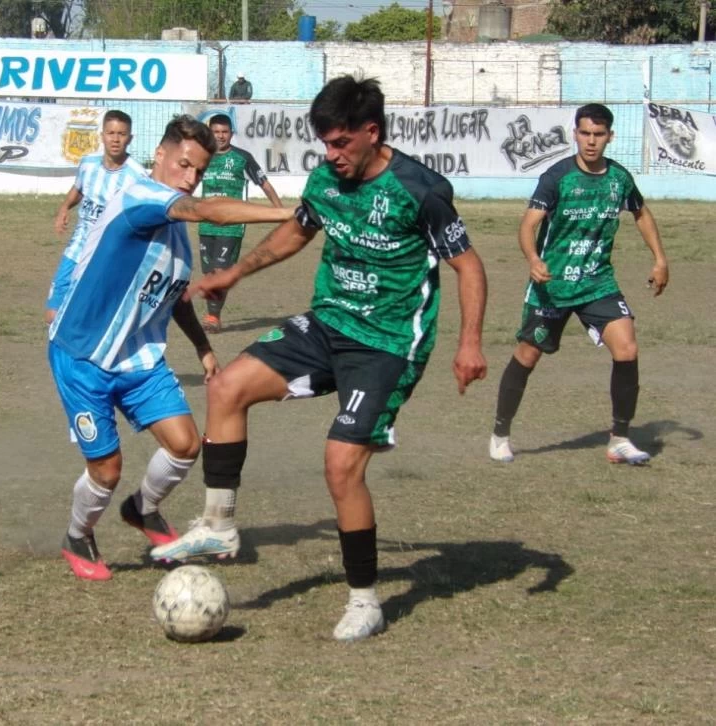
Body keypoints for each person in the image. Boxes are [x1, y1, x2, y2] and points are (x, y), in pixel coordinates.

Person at [151, 76, 488, 642]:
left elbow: (469, 267)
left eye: (339, 144)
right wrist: (235, 272)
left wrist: (470, 342)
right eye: (324, 145)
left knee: (340, 464)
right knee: (227, 386)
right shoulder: (326, 179)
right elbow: (297, 231)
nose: (330, 156)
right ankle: (218, 524)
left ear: (371, 132)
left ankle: (365, 601)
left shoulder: (420, 189)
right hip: (329, 322)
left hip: (386, 342)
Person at [48, 114, 295, 581]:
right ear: (159, 155)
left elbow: (174, 294)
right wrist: (290, 213)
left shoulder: (174, 224)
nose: (190, 178)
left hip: (138, 357)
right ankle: (77, 536)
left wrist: (202, 346)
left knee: (184, 445)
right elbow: (208, 210)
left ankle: (143, 510)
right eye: (183, 165)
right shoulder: (143, 194)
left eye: (199, 172)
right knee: (106, 469)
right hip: (83, 356)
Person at [489, 103, 669, 466]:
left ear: (610, 137)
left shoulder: (619, 178)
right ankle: (500, 433)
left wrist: (660, 259)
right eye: (585, 133)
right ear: (575, 134)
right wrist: (534, 260)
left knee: (627, 349)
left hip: (597, 282)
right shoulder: (557, 177)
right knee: (527, 355)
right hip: (552, 285)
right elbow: (527, 226)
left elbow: (640, 212)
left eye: (598, 135)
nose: (591, 141)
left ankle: (619, 439)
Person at [46, 109, 146, 325]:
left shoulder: (137, 176)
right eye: (111, 133)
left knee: (88, 317)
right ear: (102, 135)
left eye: (122, 134)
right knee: (53, 314)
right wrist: (64, 208)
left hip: (106, 256)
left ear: (130, 138)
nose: (116, 139)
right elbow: (79, 189)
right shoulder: (88, 164)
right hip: (76, 249)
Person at [198, 113, 282, 333]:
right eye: (216, 132)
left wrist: (281, 211)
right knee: (208, 273)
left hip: (232, 225)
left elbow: (264, 183)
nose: (220, 136)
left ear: (231, 134)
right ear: (210, 133)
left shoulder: (242, 158)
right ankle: (212, 312)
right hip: (206, 224)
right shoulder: (202, 157)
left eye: (224, 132)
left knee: (220, 271)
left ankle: (212, 317)